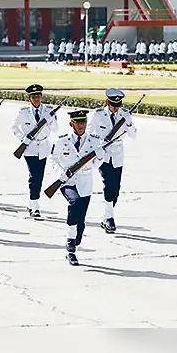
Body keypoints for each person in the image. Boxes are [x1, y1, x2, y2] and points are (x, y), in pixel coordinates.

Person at [50, 110, 102, 265]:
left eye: (83, 122)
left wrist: (99, 156)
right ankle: (70, 244)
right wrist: (61, 173)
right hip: (67, 182)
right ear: (71, 123)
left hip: (85, 184)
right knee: (75, 202)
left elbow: (95, 165)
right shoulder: (62, 141)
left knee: (81, 220)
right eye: (78, 122)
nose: (81, 125)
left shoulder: (93, 141)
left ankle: (75, 239)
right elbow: (53, 159)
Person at [86, 89, 137, 233]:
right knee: (108, 183)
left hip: (118, 154)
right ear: (107, 102)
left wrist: (129, 124)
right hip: (104, 153)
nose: (116, 108)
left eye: (118, 105)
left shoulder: (124, 115)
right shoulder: (98, 115)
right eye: (113, 105)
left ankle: (106, 216)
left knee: (116, 189)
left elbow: (133, 135)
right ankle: (109, 218)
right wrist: (100, 142)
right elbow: (89, 133)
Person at [11, 84, 59, 219]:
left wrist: (50, 120)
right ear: (29, 98)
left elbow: (55, 129)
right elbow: (14, 128)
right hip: (29, 148)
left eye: (38, 96)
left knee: (39, 176)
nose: (36, 99)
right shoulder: (24, 111)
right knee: (34, 176)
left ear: (41, 97)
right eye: (33, 96)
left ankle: (33, 203)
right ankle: (34, 205)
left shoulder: (49, 110)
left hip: (43, 147)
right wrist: (24, 139)